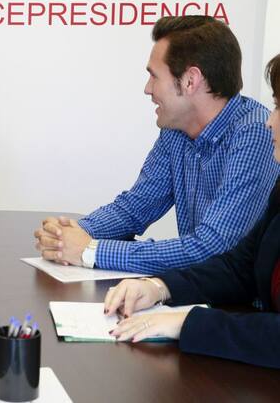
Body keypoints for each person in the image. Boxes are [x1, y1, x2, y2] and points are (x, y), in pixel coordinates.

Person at [34, 16, 279, 274]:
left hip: (237, 297)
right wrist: (67, 235)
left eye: (154, 76)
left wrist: (90, 251)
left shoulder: (256, 132)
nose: (147, 89)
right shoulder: (176, 130)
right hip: (197, 289)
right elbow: (135, 208)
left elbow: (212, 247)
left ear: (190, 80)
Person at [102, 53, 280, 369]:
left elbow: (212, 246)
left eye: (278, 108)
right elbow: (239, 266)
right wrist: (159, 287)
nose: (270, 121)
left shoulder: (251, 130)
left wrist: (188, 322)